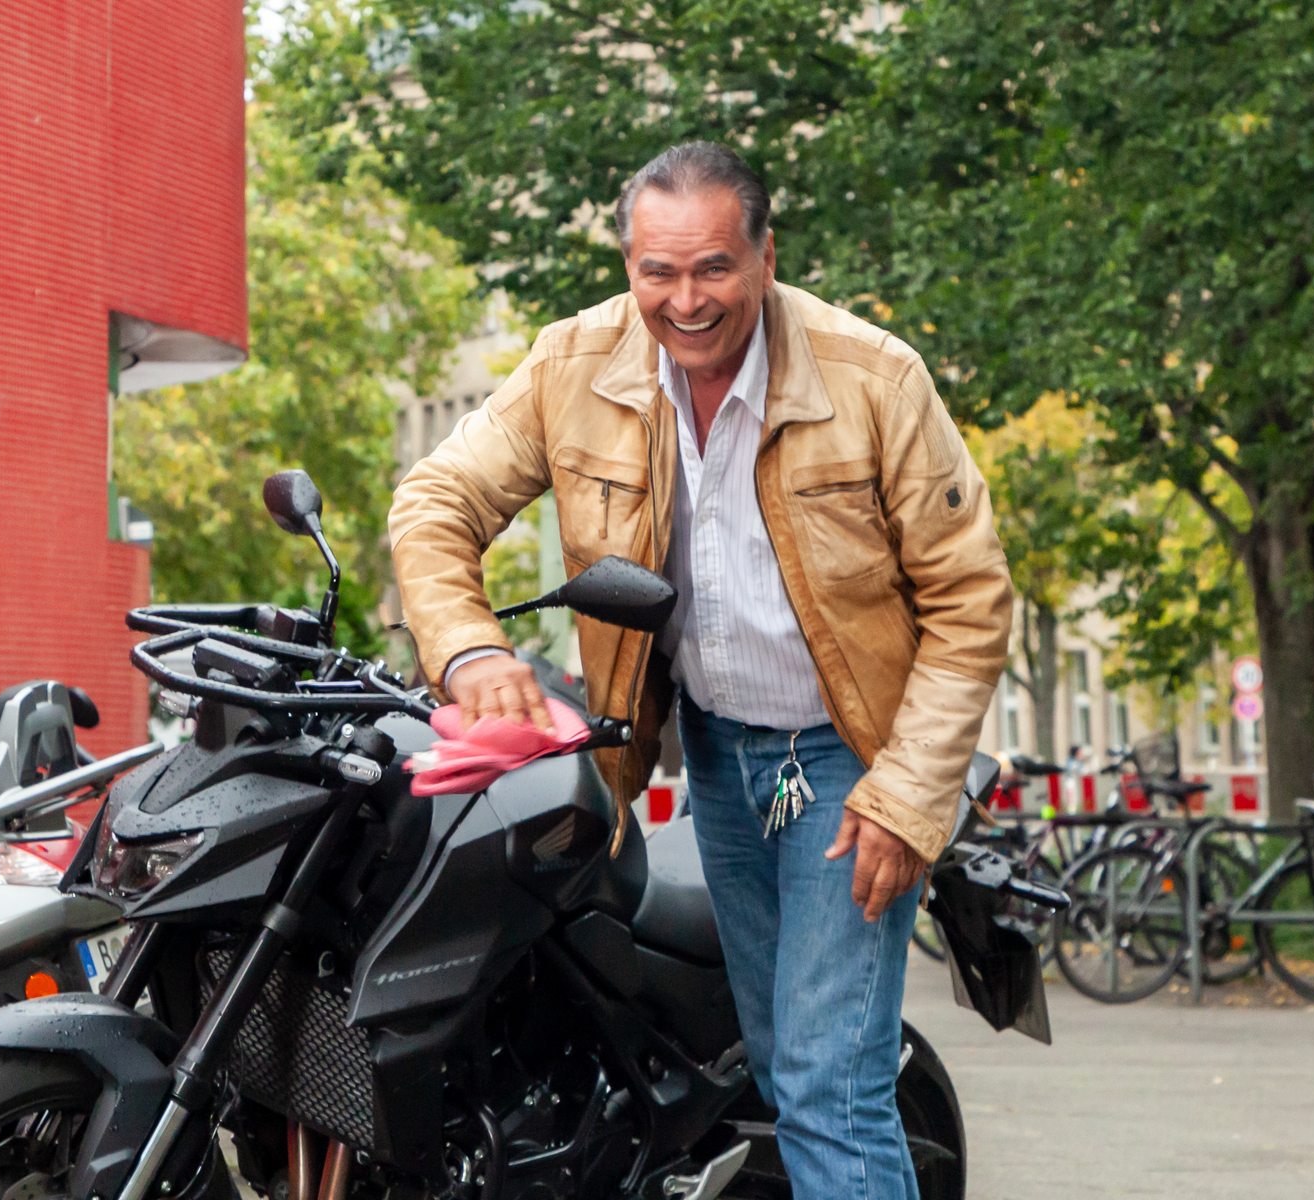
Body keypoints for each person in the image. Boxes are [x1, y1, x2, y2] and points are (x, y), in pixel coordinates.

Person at [390, 142, 1011, 1199]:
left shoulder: (871, 376)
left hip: (856, 762)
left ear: (766, 256)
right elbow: (434, 503)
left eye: (714, 268)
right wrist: (471, 648)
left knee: (827, 1085)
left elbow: (970, 596)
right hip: (722, 759)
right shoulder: (573, 363)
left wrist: (912, 792)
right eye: (657, 272)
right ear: (629, 263)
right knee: (779, 1066)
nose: (685, 300)